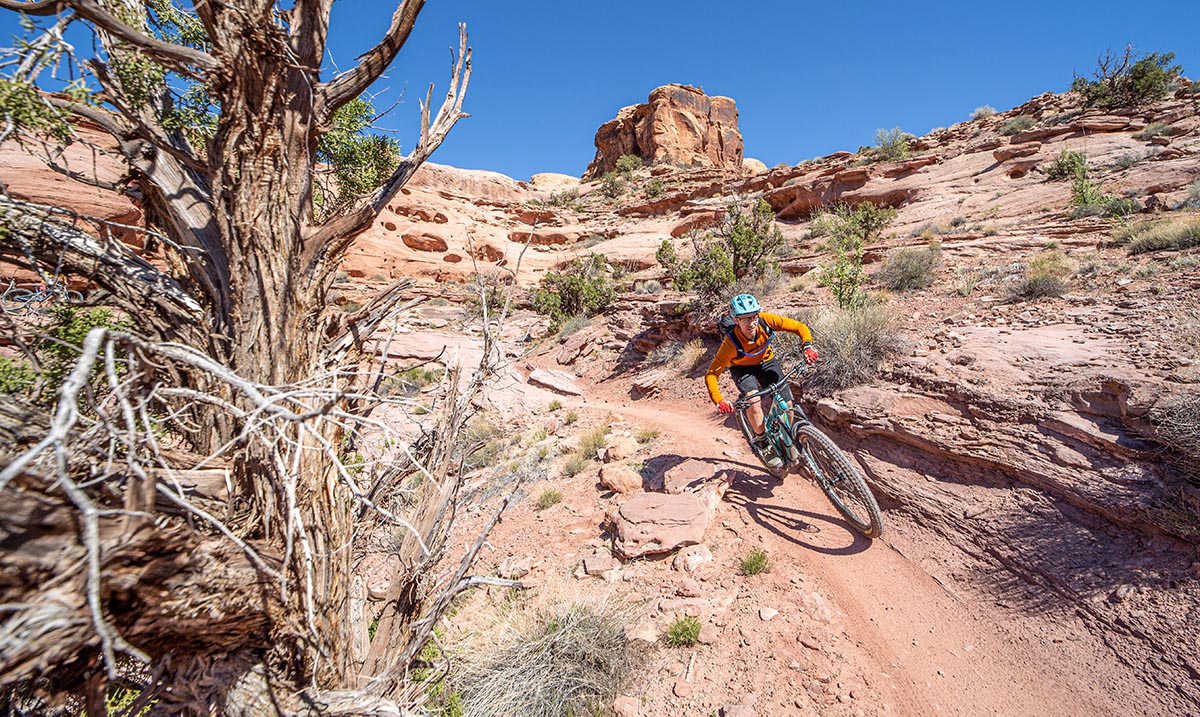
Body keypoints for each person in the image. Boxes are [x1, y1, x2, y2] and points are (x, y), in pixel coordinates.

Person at [704, 293, 819, 469]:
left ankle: (786, 440)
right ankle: (763, 442)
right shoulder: (730, 343)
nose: (751, 323)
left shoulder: (766, 321)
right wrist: (719, 400)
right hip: (742, 369)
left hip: (766, 362)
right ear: (736, 320)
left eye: (753, 317)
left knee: (787, 404)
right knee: (753, 400)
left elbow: (799, 327)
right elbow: (711, 374)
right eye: (745, 319)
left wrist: (807, 346)